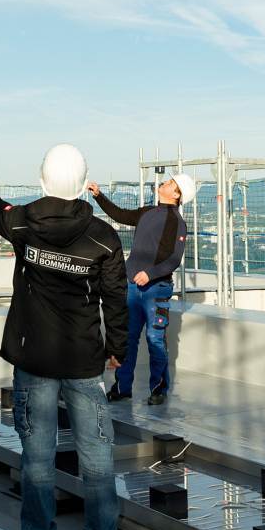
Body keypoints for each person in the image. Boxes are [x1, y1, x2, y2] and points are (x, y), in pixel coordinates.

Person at [0, 139, 128, 530]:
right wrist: (118, 349)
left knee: (37, 455)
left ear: (42, 179)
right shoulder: (105, 239)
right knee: (96, 455)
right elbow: (115, 298)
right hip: (83, 361)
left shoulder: (22, 224)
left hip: (33, 357)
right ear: (81, 185)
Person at [87, 173, 195, 405]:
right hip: (132, 287)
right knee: (129, 339)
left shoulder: (176, 222)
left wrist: (150, 274)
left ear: (176, 194)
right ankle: (122, 387)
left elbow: (173, 259)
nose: (164, 183)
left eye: (169, 183)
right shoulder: (147, 212)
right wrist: (99, 196)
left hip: (157, 289)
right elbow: (120, 215)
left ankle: (158, 389)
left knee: (155, 339)